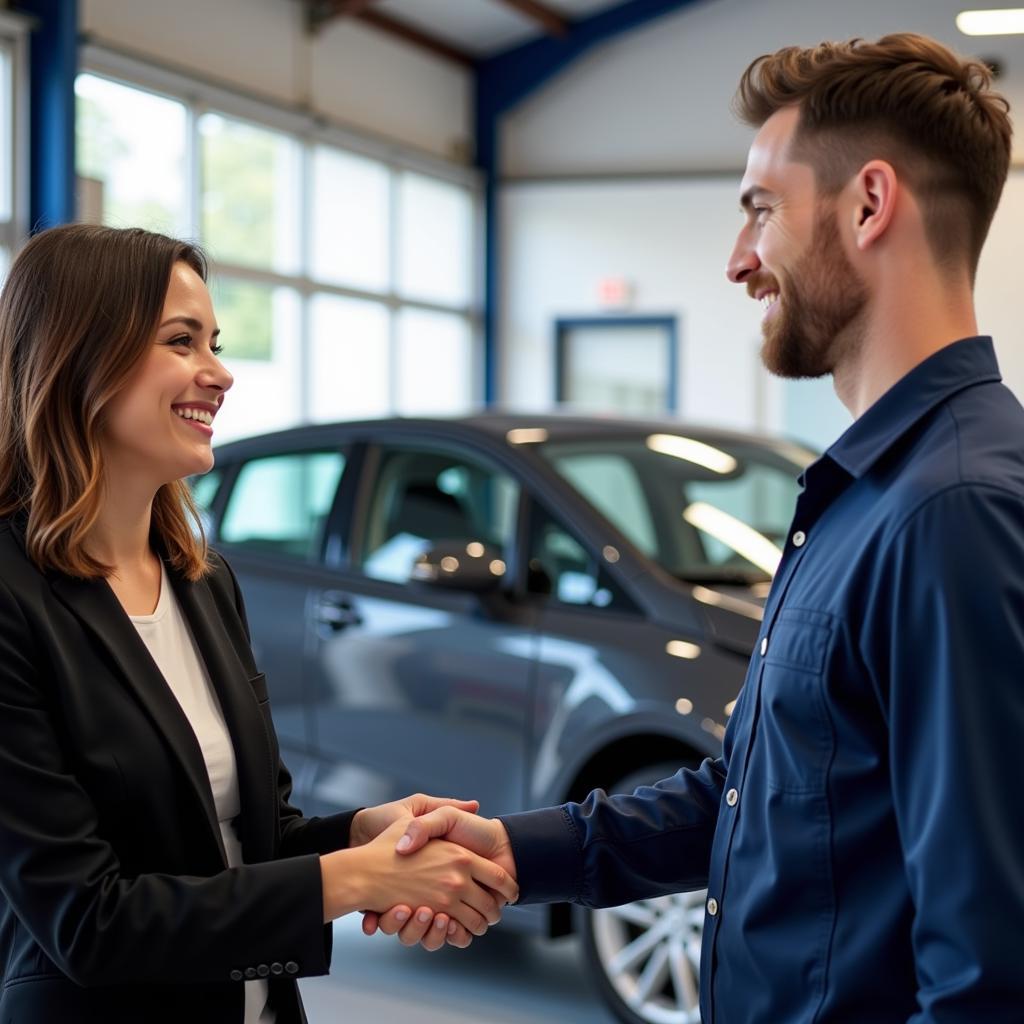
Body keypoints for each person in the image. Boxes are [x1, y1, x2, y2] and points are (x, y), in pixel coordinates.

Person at [366, 32, 1024, 1022]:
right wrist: (517, 849)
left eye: (761, 209)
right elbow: (758, 796)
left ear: (869, 203)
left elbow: (989, 969)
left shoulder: (952, 510)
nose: (738, 260)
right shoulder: (863, 493)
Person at [0, 223, 518, 1024]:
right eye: (183, 341)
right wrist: (361, 877)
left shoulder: (203, 583)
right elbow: (86, 920)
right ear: (81, 354)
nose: (220, 373)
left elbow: (249, 838)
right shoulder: (12, 599)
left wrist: (366, 835)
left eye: (215, 342)